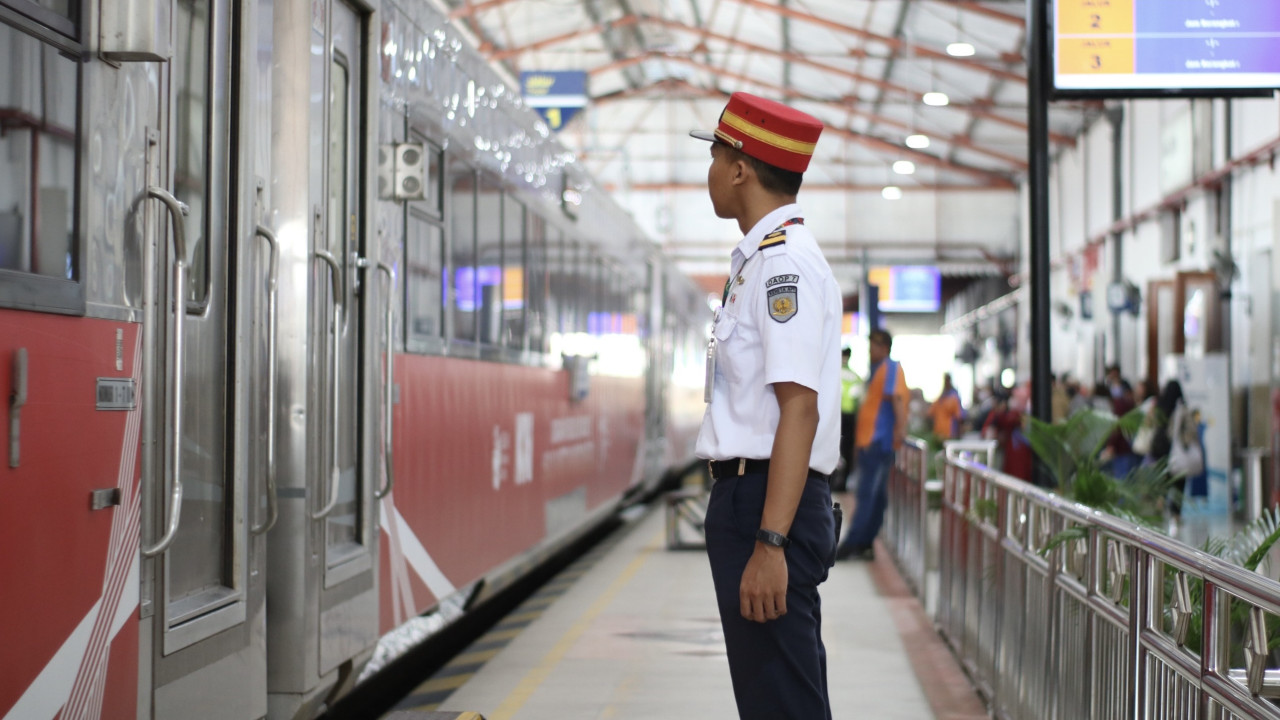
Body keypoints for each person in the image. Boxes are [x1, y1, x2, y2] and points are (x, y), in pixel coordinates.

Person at [690, 92, 840, 720]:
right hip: (753, 501)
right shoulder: (760, 261)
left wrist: (771, 542)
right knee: (775, 698)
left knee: (781, 703)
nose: (710, 171)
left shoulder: (785, 268)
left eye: (716, 154)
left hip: (766, 505)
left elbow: (797, 409)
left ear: (740, 168)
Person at [835, 328, 909, 561]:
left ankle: (854, 542)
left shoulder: (889, 368)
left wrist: (899, 432)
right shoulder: (875, 371)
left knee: (868, 494)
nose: (870, 350)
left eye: (874, 345)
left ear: (884, 347)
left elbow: (896, 399)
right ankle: (865, 542)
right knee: (875, 496)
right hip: (871, 443)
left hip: (879, 442)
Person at [837, 347, 863, 492]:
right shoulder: (855, 377)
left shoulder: (834, 373)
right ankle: (844, 483)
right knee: (847, 450)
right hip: (850, 417)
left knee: (836, 448)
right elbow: (858, 401)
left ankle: (833, 481)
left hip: (838, 415)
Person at [927, 372, 963, 440]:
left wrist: (958, 434)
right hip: (938, 433)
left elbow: (959, 417)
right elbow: (930, 414)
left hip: (950, 433)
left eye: (947, 380)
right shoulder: (940, 398)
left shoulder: (954, 397)